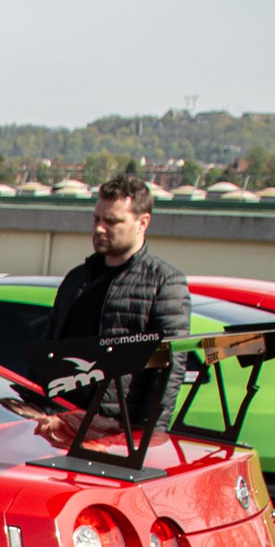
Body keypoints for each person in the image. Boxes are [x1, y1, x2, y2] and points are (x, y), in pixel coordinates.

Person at [51, 173, 189, 421]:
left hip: (118, 431)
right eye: (96, 219)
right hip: (61, 421)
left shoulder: (164, 283)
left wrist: (148, 437)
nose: (99, 228)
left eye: (112, 221)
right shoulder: (77, 279)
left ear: (142, 222)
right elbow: (48, 352)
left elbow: (168, 370)